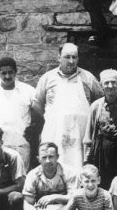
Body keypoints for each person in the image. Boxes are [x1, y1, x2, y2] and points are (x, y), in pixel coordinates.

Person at [33, 43, 103, 171]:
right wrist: (52, 119)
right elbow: (37, 103)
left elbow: (100, 102)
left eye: (74, 57)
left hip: (81, 135)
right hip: (55, 132)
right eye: (67, 57)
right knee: (54, 166)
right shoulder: (48, 78)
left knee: (80, 167)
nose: (71, 61)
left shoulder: (88, 78)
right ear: (58, 57)